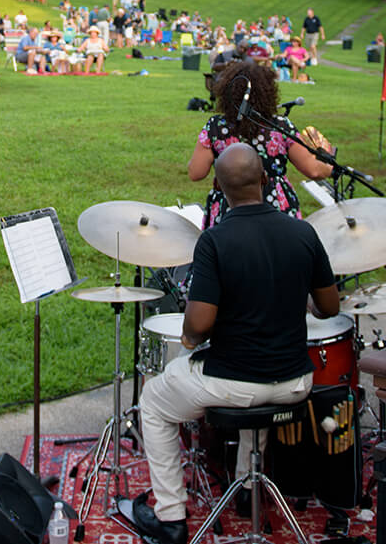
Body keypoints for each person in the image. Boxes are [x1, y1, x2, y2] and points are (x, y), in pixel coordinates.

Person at [132, 143, 339, 544]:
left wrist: (191, 337)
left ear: (217, 185)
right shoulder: (303, 232)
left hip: (236, 383)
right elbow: (328, 307)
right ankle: (247, 490)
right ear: (265, 179)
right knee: (256, 391)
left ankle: (171, 517)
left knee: (155, 400)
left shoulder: (214, 241)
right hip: (296, 381)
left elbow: (198, 325)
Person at [188, 60, 334, 229]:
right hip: (275, 209)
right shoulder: (281, 126)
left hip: (230, 209)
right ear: (268, 92)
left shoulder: (216, 126)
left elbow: (196, 173)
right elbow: (313, 169)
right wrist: (330, 163)